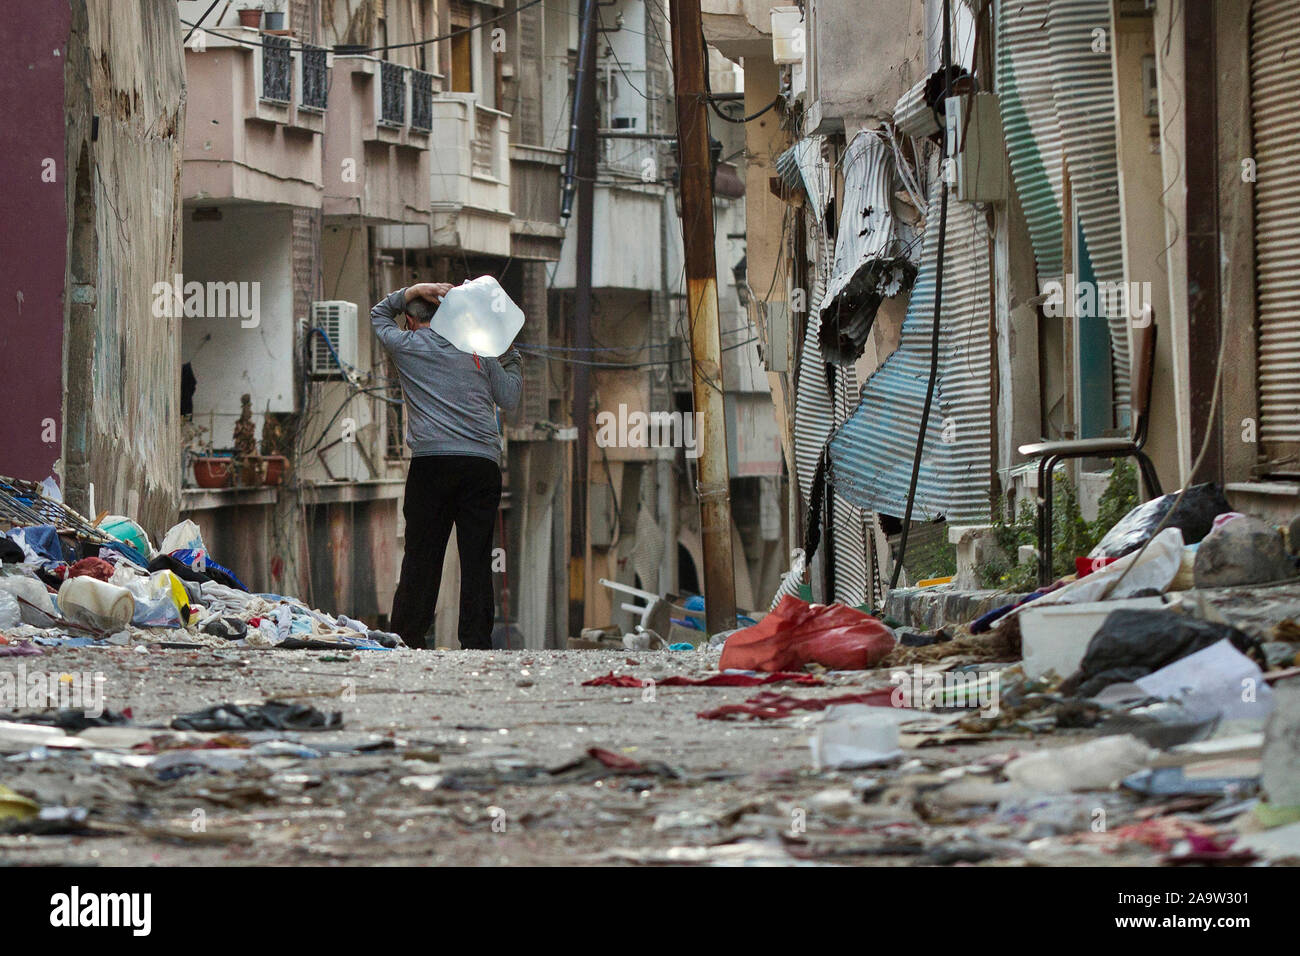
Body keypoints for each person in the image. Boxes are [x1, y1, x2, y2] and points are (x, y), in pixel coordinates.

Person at [371, 282, 522, 649]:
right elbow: (510, 397)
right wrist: (511, 353)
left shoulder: (406, 346)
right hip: (481, 465)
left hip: (431, 465)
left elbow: (378, 313)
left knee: (422, 554)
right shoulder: (478, 347)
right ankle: (475, 640)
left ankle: (407, 636)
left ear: (409, 320)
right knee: (476, 556)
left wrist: (413, 290)